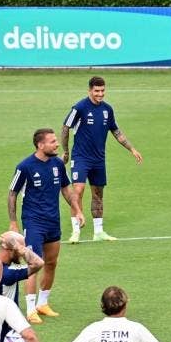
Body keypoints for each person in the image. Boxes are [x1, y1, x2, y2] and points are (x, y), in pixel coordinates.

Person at [8, 128, 85, 325]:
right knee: (35, 263)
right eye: (52, 141)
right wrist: (13, 222)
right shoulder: (25, 166)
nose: (57, 144)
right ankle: (30, 308)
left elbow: (66, 190)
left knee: (51, 263)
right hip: (34, 223)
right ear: (40, 145)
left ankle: (43, 303)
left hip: (53, 221)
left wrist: (77, 210)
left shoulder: (58, 164)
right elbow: (12, 194)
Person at [61, 76, 143, 243]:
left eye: (102, 91)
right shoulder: (80, 108)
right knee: (78, 190)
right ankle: (75, 231)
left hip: (98, 160)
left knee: (98, 194)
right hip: (81, 157)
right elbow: (65, 128)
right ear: (89, 90)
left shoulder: (107, 110)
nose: (100, 94)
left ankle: (98, 231)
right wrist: (66, 151)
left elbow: (116, 131)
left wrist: (132, 148)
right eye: (97, 91)